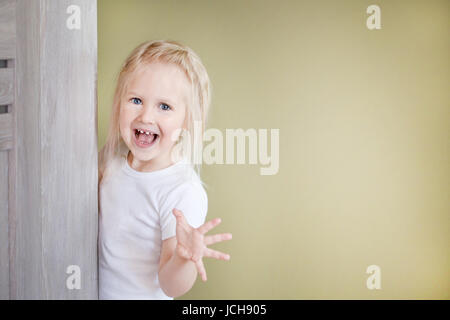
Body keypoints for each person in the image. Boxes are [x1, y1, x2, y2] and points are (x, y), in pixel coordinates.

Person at [97, 40, 232, 299]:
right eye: (136, 100)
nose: (146, 116)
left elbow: (172, 285)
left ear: (187, 120)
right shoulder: (111, 165)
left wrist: (184, 258)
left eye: (164, 107)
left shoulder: (182, 191)